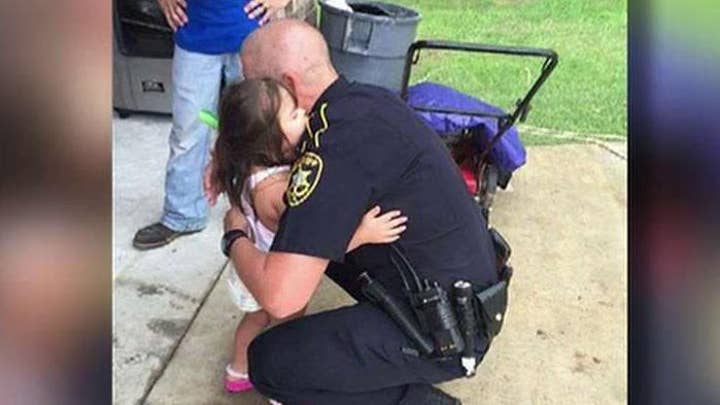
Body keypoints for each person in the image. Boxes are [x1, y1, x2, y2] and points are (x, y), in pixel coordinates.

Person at [215, 20, 501, 404]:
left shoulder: (330, 152)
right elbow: (262, 146)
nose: (250, 102)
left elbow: (280, 297)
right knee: (306, 239)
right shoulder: (360, 103)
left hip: (446, 330)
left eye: (255, 87)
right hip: (463, 295)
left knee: (270, 362)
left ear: (288, 85)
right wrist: (227, 157)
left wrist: (234, 236)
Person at [211, 78, 408, 393]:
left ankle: (239, 369)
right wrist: (362, 234)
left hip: (257, 263)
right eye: (294, 115)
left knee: (257, 319)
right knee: (280, 322)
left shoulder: (248, 162)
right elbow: (313, 239)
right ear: (270, 140)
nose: (305, 116)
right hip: (269, 271)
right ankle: (274, 374)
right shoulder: (277, 191)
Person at [132, 0, 291, 249]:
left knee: (262, 128)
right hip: (196, 37)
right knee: (188, 133)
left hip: (254, 38)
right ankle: (182, 215)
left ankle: (265, 214)